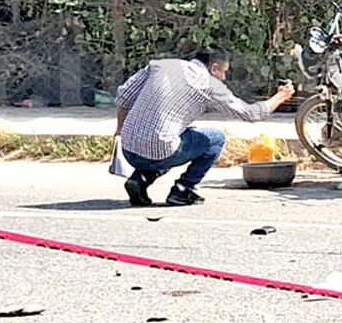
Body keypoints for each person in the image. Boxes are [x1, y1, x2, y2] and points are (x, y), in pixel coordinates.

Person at [115, 48, 295, 207]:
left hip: (128, 149)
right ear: (214, 68)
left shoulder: (160, 65)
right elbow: (252, 113)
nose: (224, 78)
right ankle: (182, 189)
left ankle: (141, 178)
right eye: (224, 72)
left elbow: (124, 95)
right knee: (215, 138)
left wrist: (121, 129)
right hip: (162, 152)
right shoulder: (210, 85)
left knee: (179, 135)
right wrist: (281, 96)